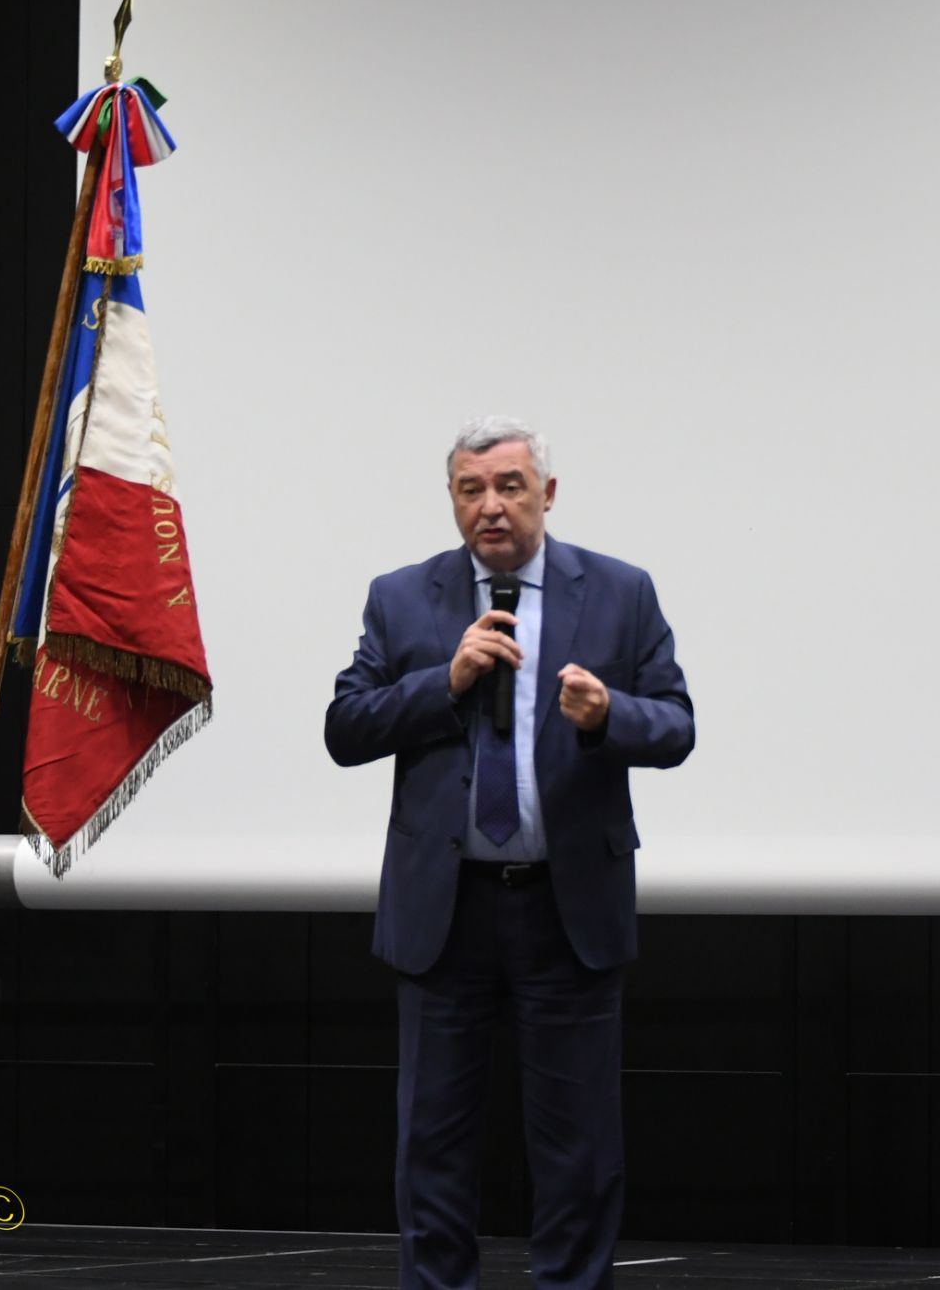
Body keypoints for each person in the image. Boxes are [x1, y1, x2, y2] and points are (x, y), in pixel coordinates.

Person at [324, 415, 694, 1290]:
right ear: (452, 499)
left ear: (547, 494)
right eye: (471, 489)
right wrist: (444, 683)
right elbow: (345, 728)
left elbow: (676, 725)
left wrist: (610, 716)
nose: (490, 506)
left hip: (566, 911)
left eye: (509, 487)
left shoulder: (619, 592)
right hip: (445, 913)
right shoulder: (402, 597)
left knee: (578, 1150)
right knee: (433, 1144)